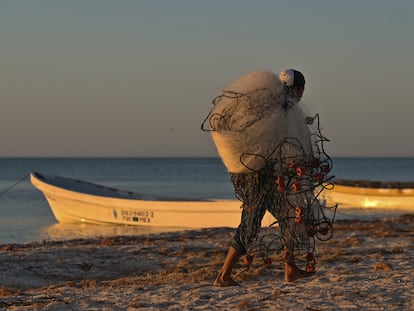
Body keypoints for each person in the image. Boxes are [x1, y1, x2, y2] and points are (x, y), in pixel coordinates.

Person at [213, 69, 316, 287]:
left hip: (264, 175)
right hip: (259, 178)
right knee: (250, 223)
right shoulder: (284, 109)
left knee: (288, 218)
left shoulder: (267, 105)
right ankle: (223, 276)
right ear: (299, 89)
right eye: (302, 89)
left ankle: (290, 270)